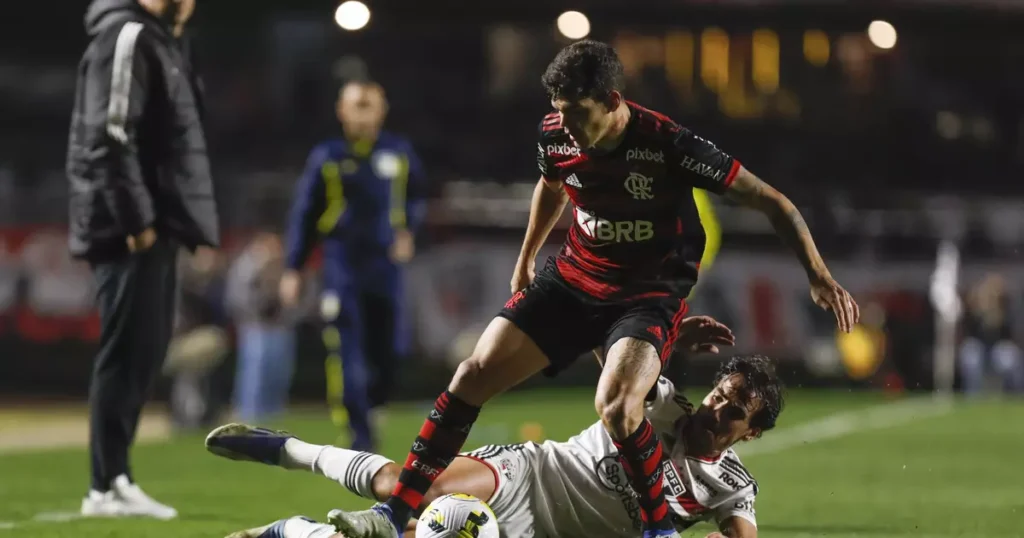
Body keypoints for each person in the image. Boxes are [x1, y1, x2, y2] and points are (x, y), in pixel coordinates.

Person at [328, 40, 857, 538]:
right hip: (574, 278)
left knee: (619, 407)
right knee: (472, 373)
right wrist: (528, 256)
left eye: (579, 113)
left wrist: (818, 274)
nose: (568, 125)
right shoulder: (556, 132)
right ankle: (393, 514)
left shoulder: (668, 144)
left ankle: (658, 528)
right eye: (560, 111)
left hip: (645, 295)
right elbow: (552, 183)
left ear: (612, 100)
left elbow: (771, 200)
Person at [207, 320, 780, 538]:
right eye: (718, 395)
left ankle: (292, 533)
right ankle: (286, 448)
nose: (714, 410)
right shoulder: (661, 403)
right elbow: (615, 360)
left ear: (750, 432)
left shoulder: (732, 486)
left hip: (547, 532)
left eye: (733, 411)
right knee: (408, 489)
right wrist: (666, 340)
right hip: (530, 475)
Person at [66, 0, 219, 519]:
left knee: (145, 352)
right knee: (125, 352)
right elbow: (110, 134)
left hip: (156, 226)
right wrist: (138, 224)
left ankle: (116, 477)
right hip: (131, 229)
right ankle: (104, 484)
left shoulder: (163, 40)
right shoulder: (128, 33)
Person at [280, 80, 427, 451]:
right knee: (346, 350)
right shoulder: (327, 156)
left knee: (389, 350)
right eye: (356, 105)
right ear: (341, 111)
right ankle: (358, 435)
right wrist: (293, 267)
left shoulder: (399, 152)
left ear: (382, 110)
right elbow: (305, 212)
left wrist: (408, 230)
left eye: (370, 105)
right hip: (343, 266)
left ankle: (375, 405)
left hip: (386, 267)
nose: (363, 113)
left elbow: (417, 198)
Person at [226, 232, 297, 421]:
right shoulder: (246, 265)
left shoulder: (284, 265)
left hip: (279, 326)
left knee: (278, 375)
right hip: (255, 327)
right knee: (254, 377)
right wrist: (255, 313)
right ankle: (248, 414)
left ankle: (273, 414)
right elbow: (236, 298)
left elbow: (297, 296)